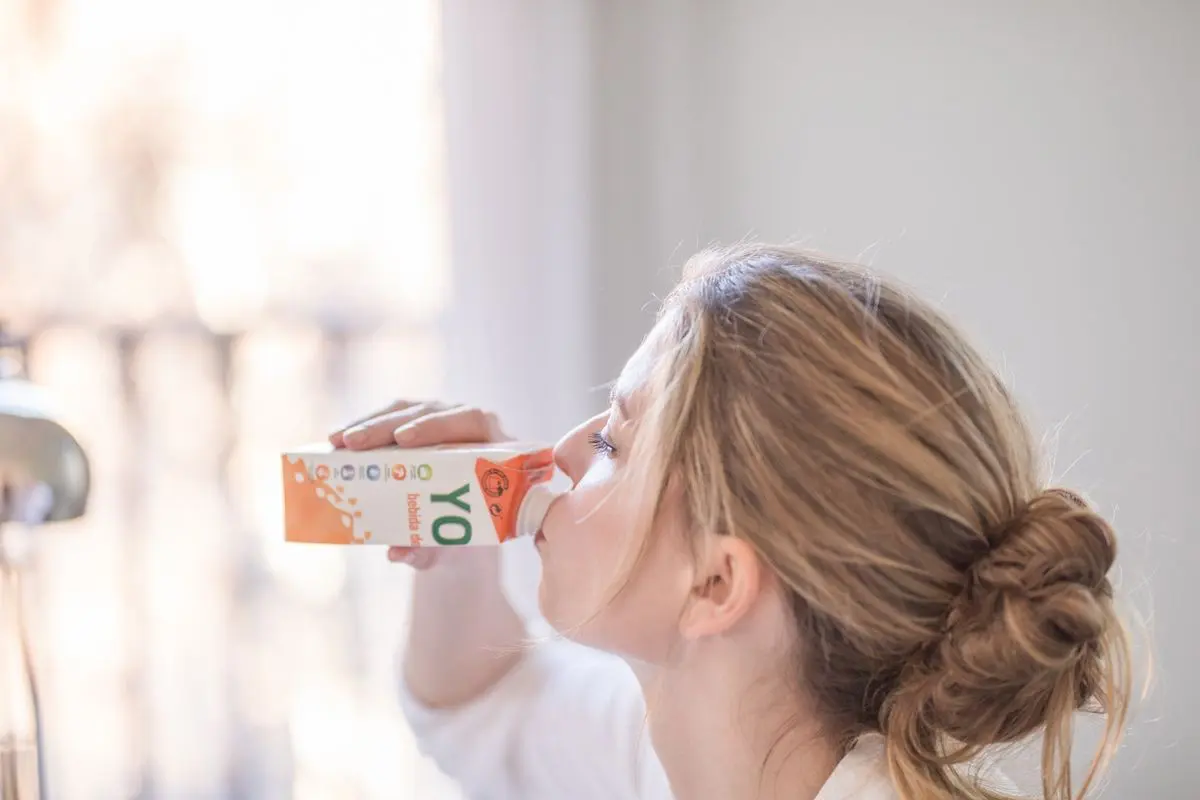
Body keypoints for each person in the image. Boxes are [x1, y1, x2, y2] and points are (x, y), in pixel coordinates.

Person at [331, 244, 1131, 800]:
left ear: (716, 583)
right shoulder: (689, 750)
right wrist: (457, 554)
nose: (563, 453)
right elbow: (481, 710)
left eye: (611, 443)